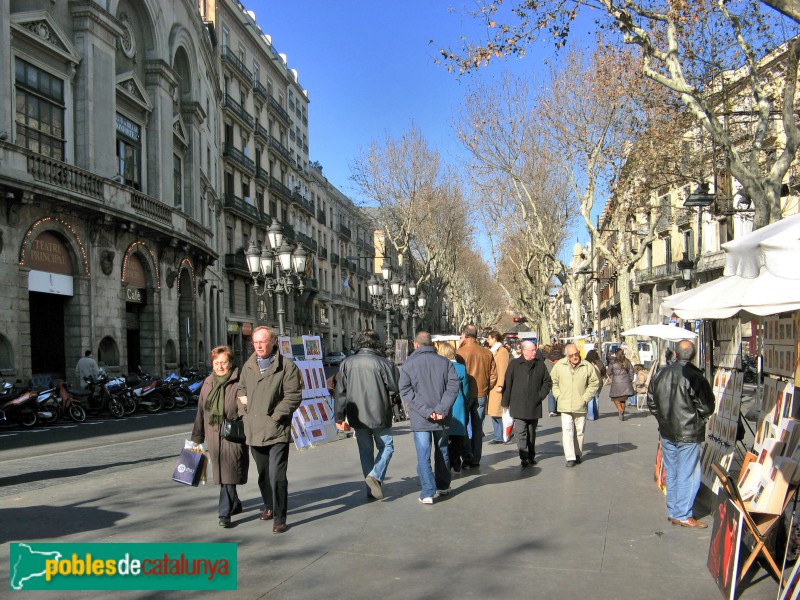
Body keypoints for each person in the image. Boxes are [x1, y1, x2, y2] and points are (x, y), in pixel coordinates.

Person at [238, 326, 302, 534]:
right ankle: (268, 505)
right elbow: (241, 391)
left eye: (262, 342)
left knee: (277, 476)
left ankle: (279, 517)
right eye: (255, 342)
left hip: (277, 430)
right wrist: (244, 412)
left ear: (273, 342)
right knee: (263, 475)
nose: (258, 346)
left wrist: (275, 416)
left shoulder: (287, 367)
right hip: (254, 430)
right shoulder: (248, 366)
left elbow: (293, 396)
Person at [647, 339, 715, 528]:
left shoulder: (661, 373)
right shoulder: (695, 376)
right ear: (693, 356)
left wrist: (662, 418)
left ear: (675, 354)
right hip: (688, 431)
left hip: (667, 430)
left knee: (673, 470)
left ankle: (675, 511)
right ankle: (683, 513)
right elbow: (707, 406)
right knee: (688, 472)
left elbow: (651, 400)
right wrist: (699, 417)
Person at [334, 330, 399, 501]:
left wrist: (339, 417)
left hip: (357, 415)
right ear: (377, 343)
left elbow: (340, 392)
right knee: (387, 446)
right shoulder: (384, 363)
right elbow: (393, 388)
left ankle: (371, 489)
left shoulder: (347, 363)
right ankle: (375, 476)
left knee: (365, 450)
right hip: (380, 413)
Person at [191, 345, 248, 528]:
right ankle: (236, 503)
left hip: (233, 435)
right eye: (216, 363)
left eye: (223, 362)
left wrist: (245, 406)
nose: (220, 366)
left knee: (228, 474)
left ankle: (224, 513)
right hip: (214, 436)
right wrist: (198, 437)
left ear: (230, 363)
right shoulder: (208, 382)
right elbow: (201, 410)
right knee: (224, 474)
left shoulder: (239, 381)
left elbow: (246, 409)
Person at [400, 331, 459, 504]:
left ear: (416, 344)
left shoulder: (409, 363)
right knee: (442, 450)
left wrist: (426, 410)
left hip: (421, 418)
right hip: (442, 417)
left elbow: (405, 390)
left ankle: (427, 492)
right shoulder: (445, 362)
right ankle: (443, 485)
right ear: (431, 344)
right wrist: (441, 408)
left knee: (423, 454)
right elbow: (453, 387)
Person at [501, 340, 552, 467]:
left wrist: (540, 395)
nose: (535, 352)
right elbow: (508, 383)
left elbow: (547, 382)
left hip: (534, 404)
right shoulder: (514, 364)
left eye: (535, 349)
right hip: (518, 403)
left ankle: (531, 455)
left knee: (531, 431)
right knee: (520, 431)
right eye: (532, 350)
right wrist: (505, 402)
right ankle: (523, 456)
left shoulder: (540, 364)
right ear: (524, 351)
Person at [550, 343, 600, 467]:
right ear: (566, 355)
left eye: (576, 354)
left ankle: (578, 453)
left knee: (579, 431)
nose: (574, 357)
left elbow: (594, 383)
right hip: (564, 404)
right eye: (571, 355)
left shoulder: (587, 366)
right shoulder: (559, 365)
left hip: (580, 404)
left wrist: (585, 398)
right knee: (567, 430)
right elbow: (553, 382)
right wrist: (558, 395)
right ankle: (570, 457)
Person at [456, 324, 497, 468]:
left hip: (464, 394)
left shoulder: (460, 352)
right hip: (481, 393)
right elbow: (493, 376)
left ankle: (467, 454)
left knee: (463, 424)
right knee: (477, 426)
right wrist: (485, 388)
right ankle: (476, 458)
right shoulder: (486, 352)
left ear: (465, 335)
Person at [437, 343, 469, 472]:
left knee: (445, 435)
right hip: (458, 402)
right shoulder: (461, 368)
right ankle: (455, 459)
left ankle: (448, 461)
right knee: (458, 436)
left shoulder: (438, 368)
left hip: (443, 403)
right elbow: (465, 388)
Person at [486, 330, 510, 444]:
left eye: (489, 338)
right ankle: (499, 434)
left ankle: (500, 435)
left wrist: (500, 385)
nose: (487, 340)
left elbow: (503, 369)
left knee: (497, 412)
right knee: (494, 412)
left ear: (494, 339)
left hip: (498, 386)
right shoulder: (494, 351)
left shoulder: (502, 351)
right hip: (493, 386)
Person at [608, 348, 635, 421]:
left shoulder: (612, 363)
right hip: (626, 383)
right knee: (623, 399)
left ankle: (620, 409)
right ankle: (622, 410)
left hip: (616, 383)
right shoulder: (627, 362)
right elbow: (631, 371)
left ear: (616, 354)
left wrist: (613, 378)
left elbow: (609, 372)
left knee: (615, 398)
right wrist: (630, 379)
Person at [585, 349, 607, 417]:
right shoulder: (600, 362)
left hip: (589, 382)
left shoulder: (585, 363)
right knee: (596, 397)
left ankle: (591, 415)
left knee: (590, 398)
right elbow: (603, 372)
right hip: (598, 382)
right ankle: (596, 413)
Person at [545, 347, 561, 417]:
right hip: (554, 380)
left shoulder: (546, 361)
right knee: (554, 394)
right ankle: (554, 409)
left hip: (553, 380)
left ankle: (554, 410)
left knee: (554, 394)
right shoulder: (560, 361)